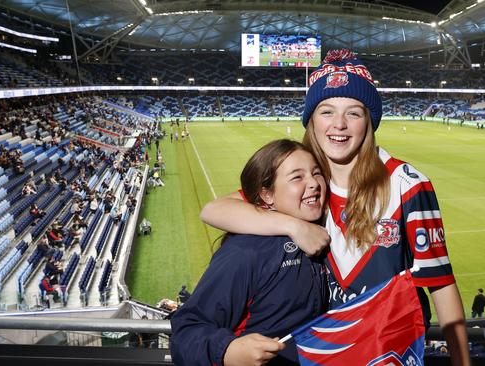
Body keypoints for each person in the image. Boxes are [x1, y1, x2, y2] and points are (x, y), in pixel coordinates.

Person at [200, 49, 470, 365]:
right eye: (326, 111)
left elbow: (440, 284)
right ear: (311, 120)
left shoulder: (407, 184)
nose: (339, 124)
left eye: (353, 113)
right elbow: (214, 210)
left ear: (369, 121)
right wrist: (293, 225)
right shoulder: (309, 184)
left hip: (390, 349)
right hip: (326, 348)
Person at [171, 139, 328, 366]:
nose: (313, 183)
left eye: (317, 173)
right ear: (267, 195)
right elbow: (186, 332)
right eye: (297, 177)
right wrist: (227, 350)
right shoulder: (245, 252)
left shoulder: (327, 229)